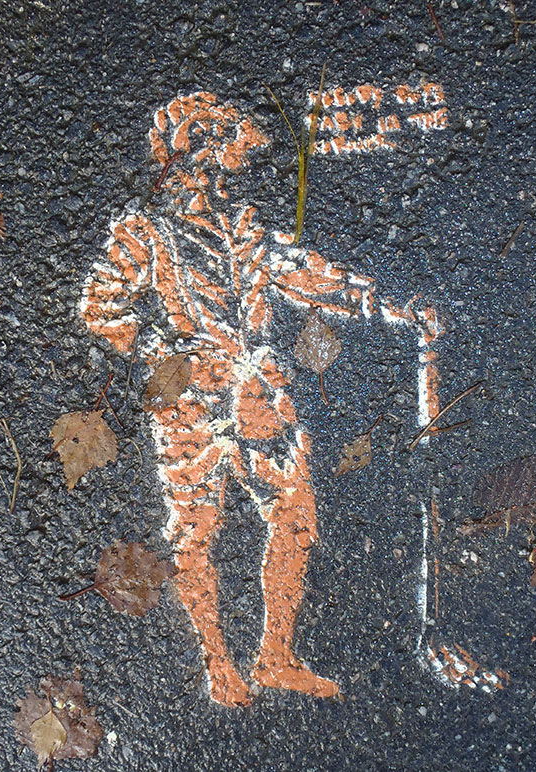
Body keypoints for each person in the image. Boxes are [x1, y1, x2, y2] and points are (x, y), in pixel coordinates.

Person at [80, 91, 441, 707]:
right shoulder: (145, 233)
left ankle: (275, 654)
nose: (240, 155)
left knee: (295, 511)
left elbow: (302, 272)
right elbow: (100, 305)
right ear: (197, 152)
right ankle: (218, 664)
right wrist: (165, 353)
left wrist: (379, 303)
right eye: (227, 141)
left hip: (257, 392)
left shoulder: (240, 227)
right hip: (190, 404)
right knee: (196, 531)